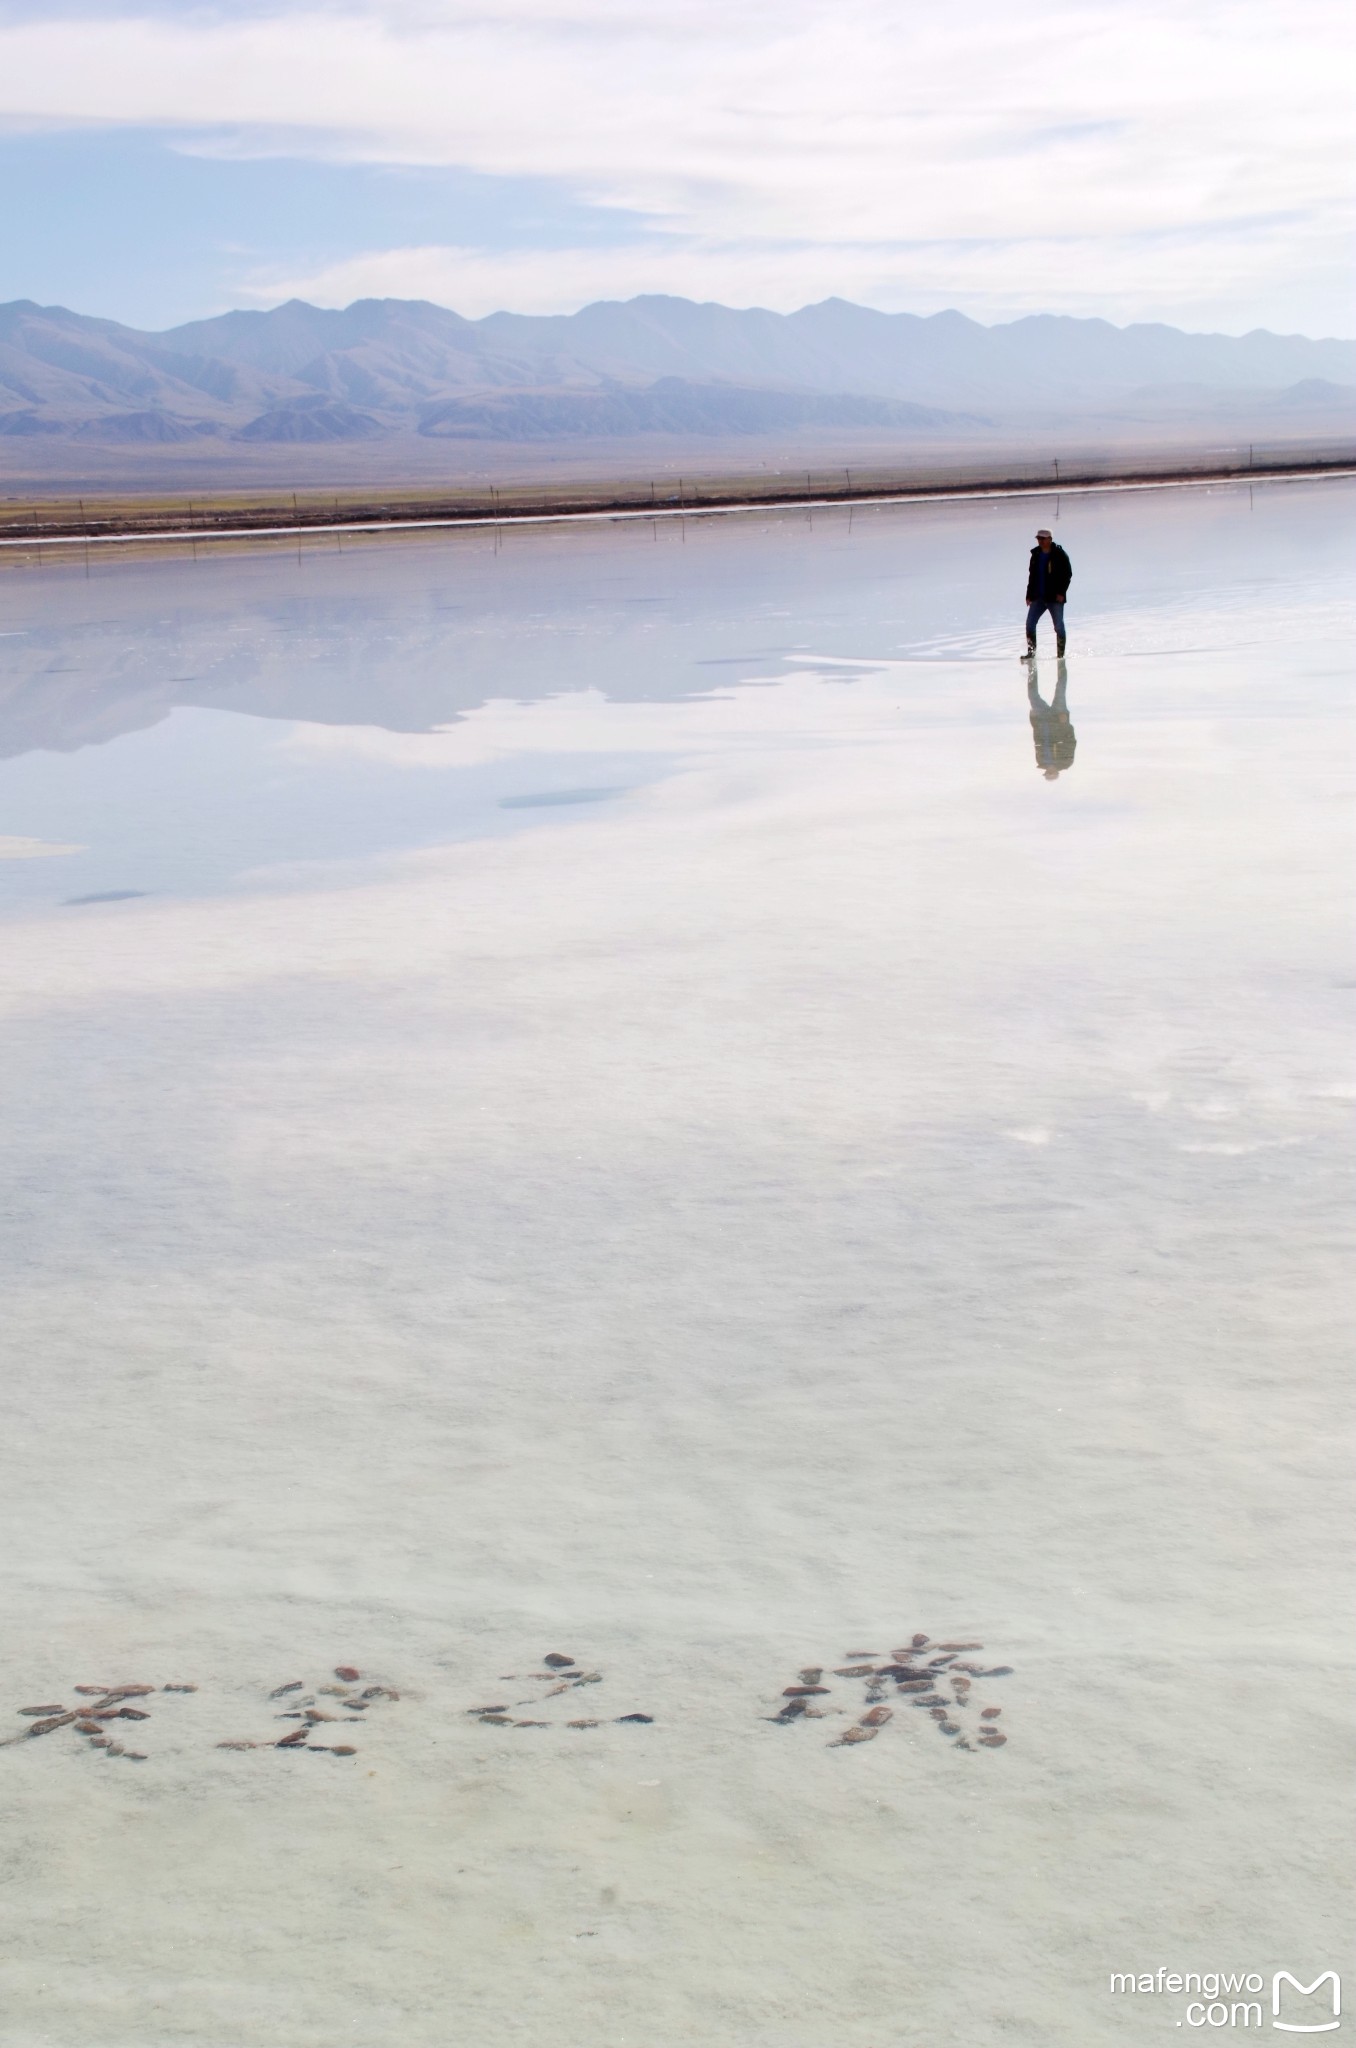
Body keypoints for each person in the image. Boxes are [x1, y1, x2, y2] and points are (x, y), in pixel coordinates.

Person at [1022, 526, 1072, 659]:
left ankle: (1060, 656)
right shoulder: (1035, 555)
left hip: (1054, 598)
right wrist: (1028, 595)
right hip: (1038, 597)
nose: (1040, 541)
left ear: (1050, 539)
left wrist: (1061, 592)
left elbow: (1067, 575)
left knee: (1058, 626)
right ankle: (1031, 653)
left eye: (1043, 539)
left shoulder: (1060, 554)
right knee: (1030, 624)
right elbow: (1032, 576)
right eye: (1038, 538)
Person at [1028, 659, 1075, 778]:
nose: (1048, 771)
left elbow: (1037, 740)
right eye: (1050, 773)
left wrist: (1033, 721)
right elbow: (1071, 741)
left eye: (1046, 773)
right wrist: (1065, 724)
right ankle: (1061, 662)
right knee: (1060, 687)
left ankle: (1031, 666)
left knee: (1032, 694)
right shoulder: (1066, 762)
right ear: (1056, 773)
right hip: (1059, 718)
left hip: (1042, 720)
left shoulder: (1040, 761)